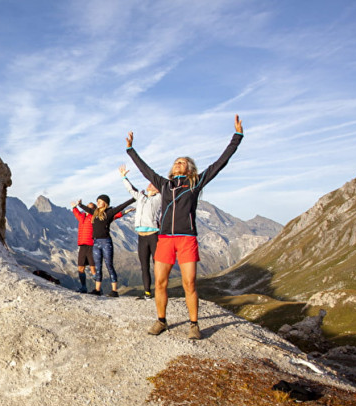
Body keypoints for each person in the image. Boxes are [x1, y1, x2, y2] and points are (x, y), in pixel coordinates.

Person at [125, 115, 243, 339]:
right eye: (176, 162)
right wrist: (131, 149)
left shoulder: (195, 182)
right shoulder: (164, 184)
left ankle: (194, 324)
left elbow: (220, 163)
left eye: (182, 162)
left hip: (187, 238)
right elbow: (144, 169)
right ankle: (161, 320)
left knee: (189, 283)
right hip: (166, 239)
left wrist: (236, 137)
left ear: (189, 169)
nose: (178, 163)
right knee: (160, 282)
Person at [79, 194, 134, 297]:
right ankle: (97, 289)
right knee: (98, 267)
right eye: (97, 201)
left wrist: (133, 199)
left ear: (105, 203)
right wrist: (79, 204)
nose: (98, 203)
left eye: (100, 201)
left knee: (109, 265)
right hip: (96, 243)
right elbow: (87, 209)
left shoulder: (109, 212)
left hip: (106, 242)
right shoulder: (94, 213)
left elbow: (121, 206)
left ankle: (114, 291)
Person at [120, 164, 161, 300]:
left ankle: (160, 291)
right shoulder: (141, 197)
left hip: (154, 235)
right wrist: (124, 177)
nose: (150, 185)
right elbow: (131, 190)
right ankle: (147, 293)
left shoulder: (159, 198)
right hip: (141, 237)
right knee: (144, 266)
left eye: (153, 184)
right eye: (149, 183)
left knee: (158, 266)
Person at [70, 200, 97, 293]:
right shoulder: (82, 217)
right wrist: (74, 207)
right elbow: (77, 214)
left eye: (90, 207)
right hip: (82, 245)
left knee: (92, 268)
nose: (88, 208)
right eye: (87, 206)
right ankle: (83, 287)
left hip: (91, 245)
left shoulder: (94, 217)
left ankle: (98, 288)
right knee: (81, 267)